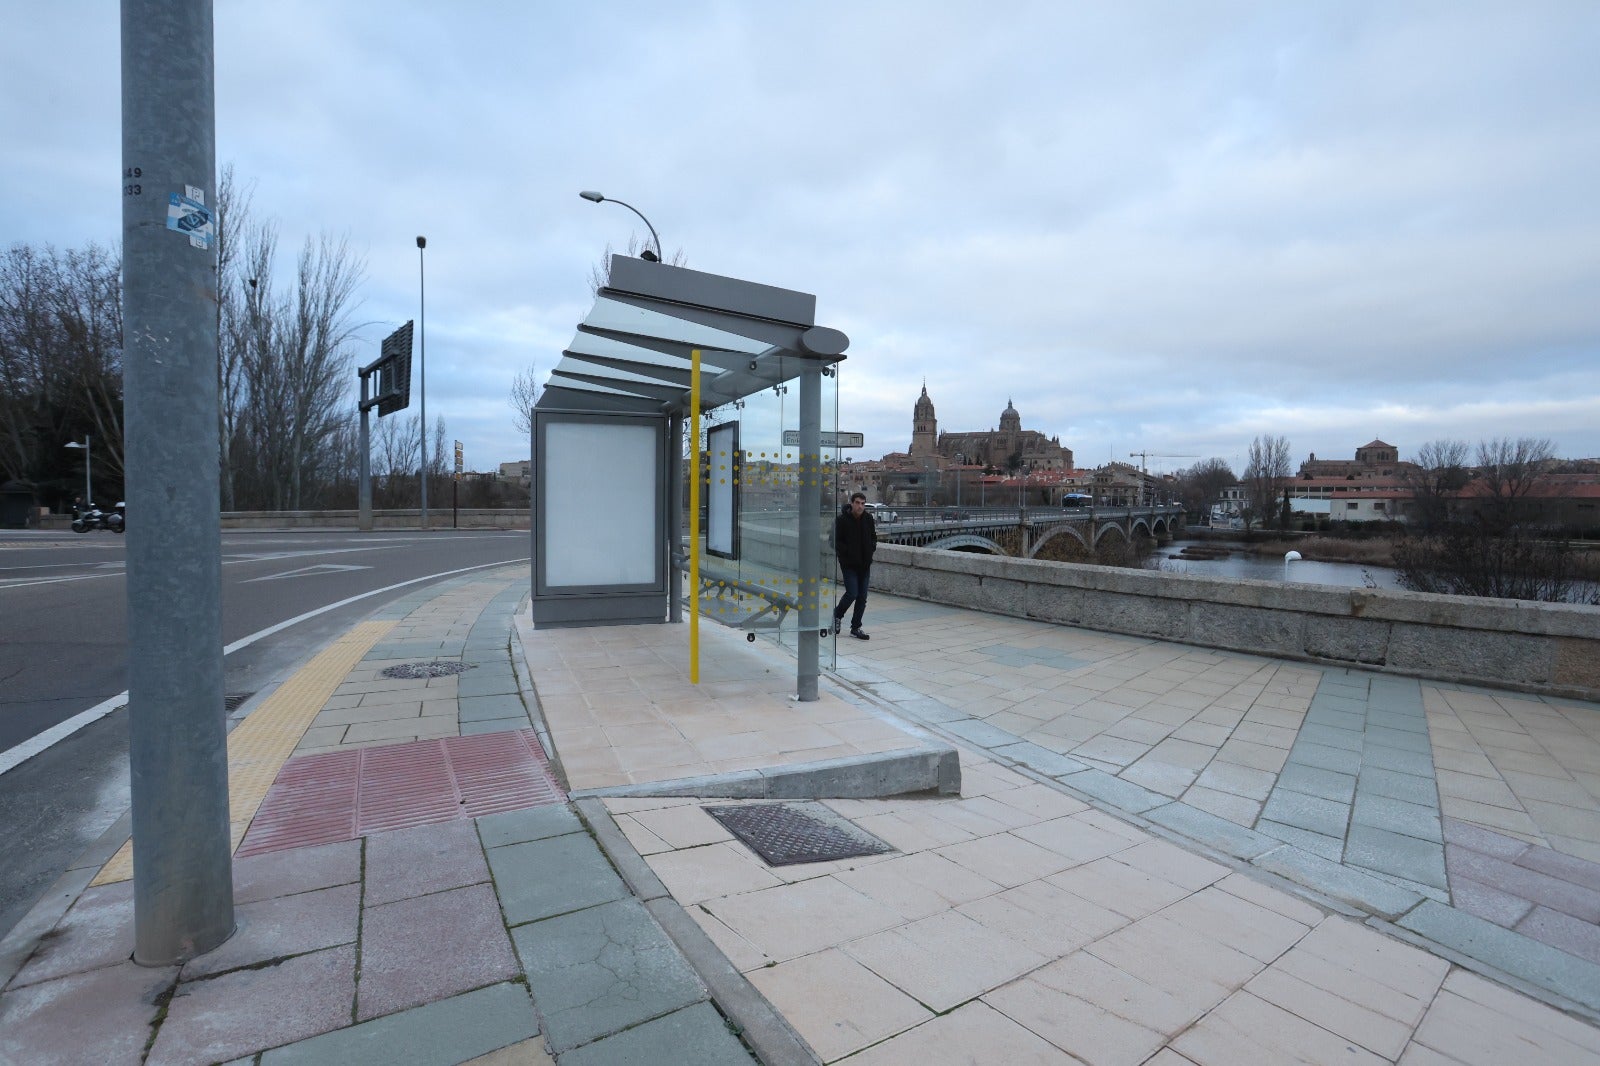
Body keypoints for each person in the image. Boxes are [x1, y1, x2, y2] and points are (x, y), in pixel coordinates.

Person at [832, 492, 877, 640]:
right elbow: (834, 541)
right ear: (851, 503)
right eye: (857, 503)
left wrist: (871, 549)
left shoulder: (868, 519)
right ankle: (837, 615)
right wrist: (847, 553)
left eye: (863, 504)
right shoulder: (842, 520)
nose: (860, 506)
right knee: (852, 593)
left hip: (864, 565)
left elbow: (873, 537)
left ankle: (856, 627)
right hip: (849, 565)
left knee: (862, 597)